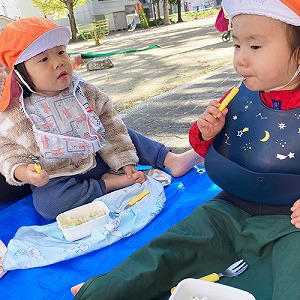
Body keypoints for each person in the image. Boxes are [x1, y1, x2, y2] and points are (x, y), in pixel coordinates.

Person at [71, 1, 300, 299]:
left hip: (290, 220)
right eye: (236, 45)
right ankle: (103, 289)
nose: (241, 60)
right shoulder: (236, 96)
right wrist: (209, 131)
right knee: (168, 250)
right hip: (228, 206)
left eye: (255, 47)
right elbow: (206, 146)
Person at [0, 17, 202, 217]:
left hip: (99, 157)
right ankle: (108, 183)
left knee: (119, 130)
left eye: (61, 52)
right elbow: (8, 151)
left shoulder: (83, 92)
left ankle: (169, 159)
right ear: (20, 75)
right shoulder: (17, 112)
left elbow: (111, 126)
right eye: (44, 59)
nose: (58, 62)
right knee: (48, 204)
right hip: (60, 177)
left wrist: (125, 161)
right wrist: (23, 171)